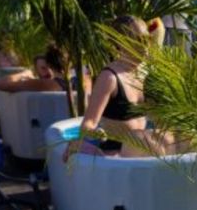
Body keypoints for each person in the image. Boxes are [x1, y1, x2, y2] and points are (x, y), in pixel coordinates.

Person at [66, 16, 154, 158]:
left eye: (146, 40)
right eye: (137, 41)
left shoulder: (146, 73)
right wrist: (94, 134)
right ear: (119, 43)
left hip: (142, 152)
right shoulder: (109, 78)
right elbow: (89, 122)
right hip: (116, 155)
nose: (144, 47)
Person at [0, 46, 68, 93]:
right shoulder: (75, 81)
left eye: (46, 67)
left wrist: (24, 74)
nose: (48, 71)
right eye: (43, 68)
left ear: (50, 65)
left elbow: (0, 84)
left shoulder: (49, 84)